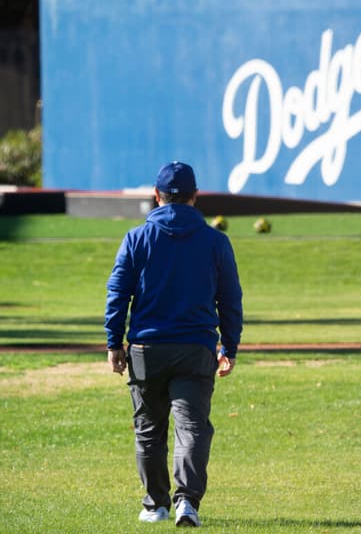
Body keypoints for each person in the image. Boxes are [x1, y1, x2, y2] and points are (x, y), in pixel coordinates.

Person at [105, 161, 243, 527]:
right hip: (195, 348)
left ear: (157, 197)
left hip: (146, 350)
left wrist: (113, 342)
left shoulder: (136, 239)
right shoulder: (216, 241)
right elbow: (230, 299)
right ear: (195, 198)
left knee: (149, 428)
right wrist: (229, 347)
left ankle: (155, 505)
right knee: (192, 426)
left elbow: (118, 293)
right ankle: (187, 502)